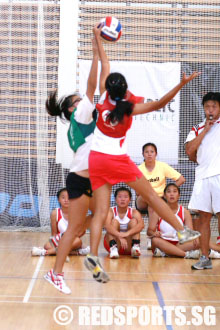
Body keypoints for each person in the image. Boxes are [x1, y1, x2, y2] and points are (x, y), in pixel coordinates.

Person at [84, 28, 201, 283]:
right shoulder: (130, 107)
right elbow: (159, 104)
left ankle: (92, 257)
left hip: (96, 159)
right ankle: (182, 232)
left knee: (101, 211)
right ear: (125, 89)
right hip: (116, 159)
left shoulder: (103, 98)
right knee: (150, 194)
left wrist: (96, 36)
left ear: (108, 88)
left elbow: (104, 61)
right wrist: (181, 83)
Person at [43, 27, 104, 294]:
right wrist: (95, 51)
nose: (82, 100)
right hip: (81, 177)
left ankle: (93, 259)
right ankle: (55, 273)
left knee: (92, 220)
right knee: (76, 228)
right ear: (71, 108)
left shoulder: (84, 119)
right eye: (77, 100)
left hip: (94, 176)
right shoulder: (80, 115)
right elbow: (93, 85)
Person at [185, 92, 220, 270]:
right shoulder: (197, 128)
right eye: (207, 106)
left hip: (219, 177)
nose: (210, 110)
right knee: (203, 218)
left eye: (214, 106)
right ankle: (205, 257)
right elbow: (190, 151)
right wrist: (205, 130)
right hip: (202, 178)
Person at [136, 142, 185, 249]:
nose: (149, 154)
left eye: (152, 152)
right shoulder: (139, 169)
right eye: (146, 152)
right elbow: (137, 192)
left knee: (153, 204)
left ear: (156, 154)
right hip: (142, 200)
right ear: (143, 154)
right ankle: (151, 236)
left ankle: (151, 237)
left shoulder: (162, 166)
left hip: (159, 200)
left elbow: (181, 179)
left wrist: (167, 191)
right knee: (150, 200)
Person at [31, 188, 90, 257]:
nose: (66, 200)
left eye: (69, 197)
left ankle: (43, 252)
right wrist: (58, 242)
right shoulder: (55, 213)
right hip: (59, 240)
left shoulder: (78, 213)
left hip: (72, 240)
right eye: (63, 197)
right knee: (47, 245)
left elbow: (82, 231)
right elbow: (54, 234)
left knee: (78, 241)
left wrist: (69, 240)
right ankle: (76, 252)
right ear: (59, 200)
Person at [104, 186, 144, 258]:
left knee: (134, 221)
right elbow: (106, 226)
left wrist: (126, 234)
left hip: (127, 244)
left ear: (130, 200)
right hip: (113, 242)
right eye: (120, 197)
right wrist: (119, 235)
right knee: (114, 222)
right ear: (115, 199)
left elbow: (141, 225)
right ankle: (113, 248)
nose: (122, 199)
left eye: (125, 197)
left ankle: (135, 248)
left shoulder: (134, 212)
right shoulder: (110, 211)